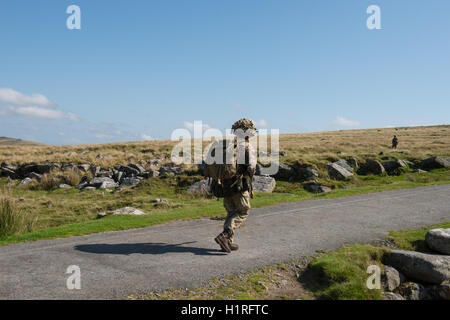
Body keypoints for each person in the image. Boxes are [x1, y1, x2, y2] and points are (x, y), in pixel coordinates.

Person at [214, 119, 257, 253]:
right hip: (239, 185)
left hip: (225, 185)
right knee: (243, 211)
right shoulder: (247, 146)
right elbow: (251, 166)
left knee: (231, 212)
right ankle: (225, 236)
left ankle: (228, 242)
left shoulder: (228, 145)